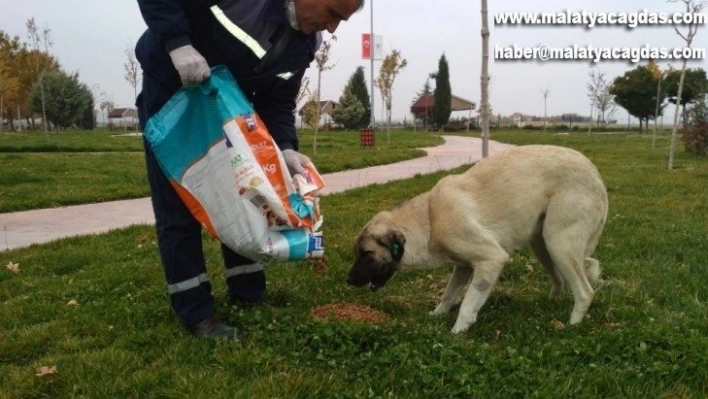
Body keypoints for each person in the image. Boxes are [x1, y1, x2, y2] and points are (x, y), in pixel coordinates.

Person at [135, 0, 364, 340]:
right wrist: (177, 43)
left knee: (248, 195)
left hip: (232, 115)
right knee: (179, 206)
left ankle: (248, 294)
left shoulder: (304, 44)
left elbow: (279, 100)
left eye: (340, 21)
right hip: (174, 98)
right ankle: (196, 312)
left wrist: (285, 147)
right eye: (333, 14)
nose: (332, 29)